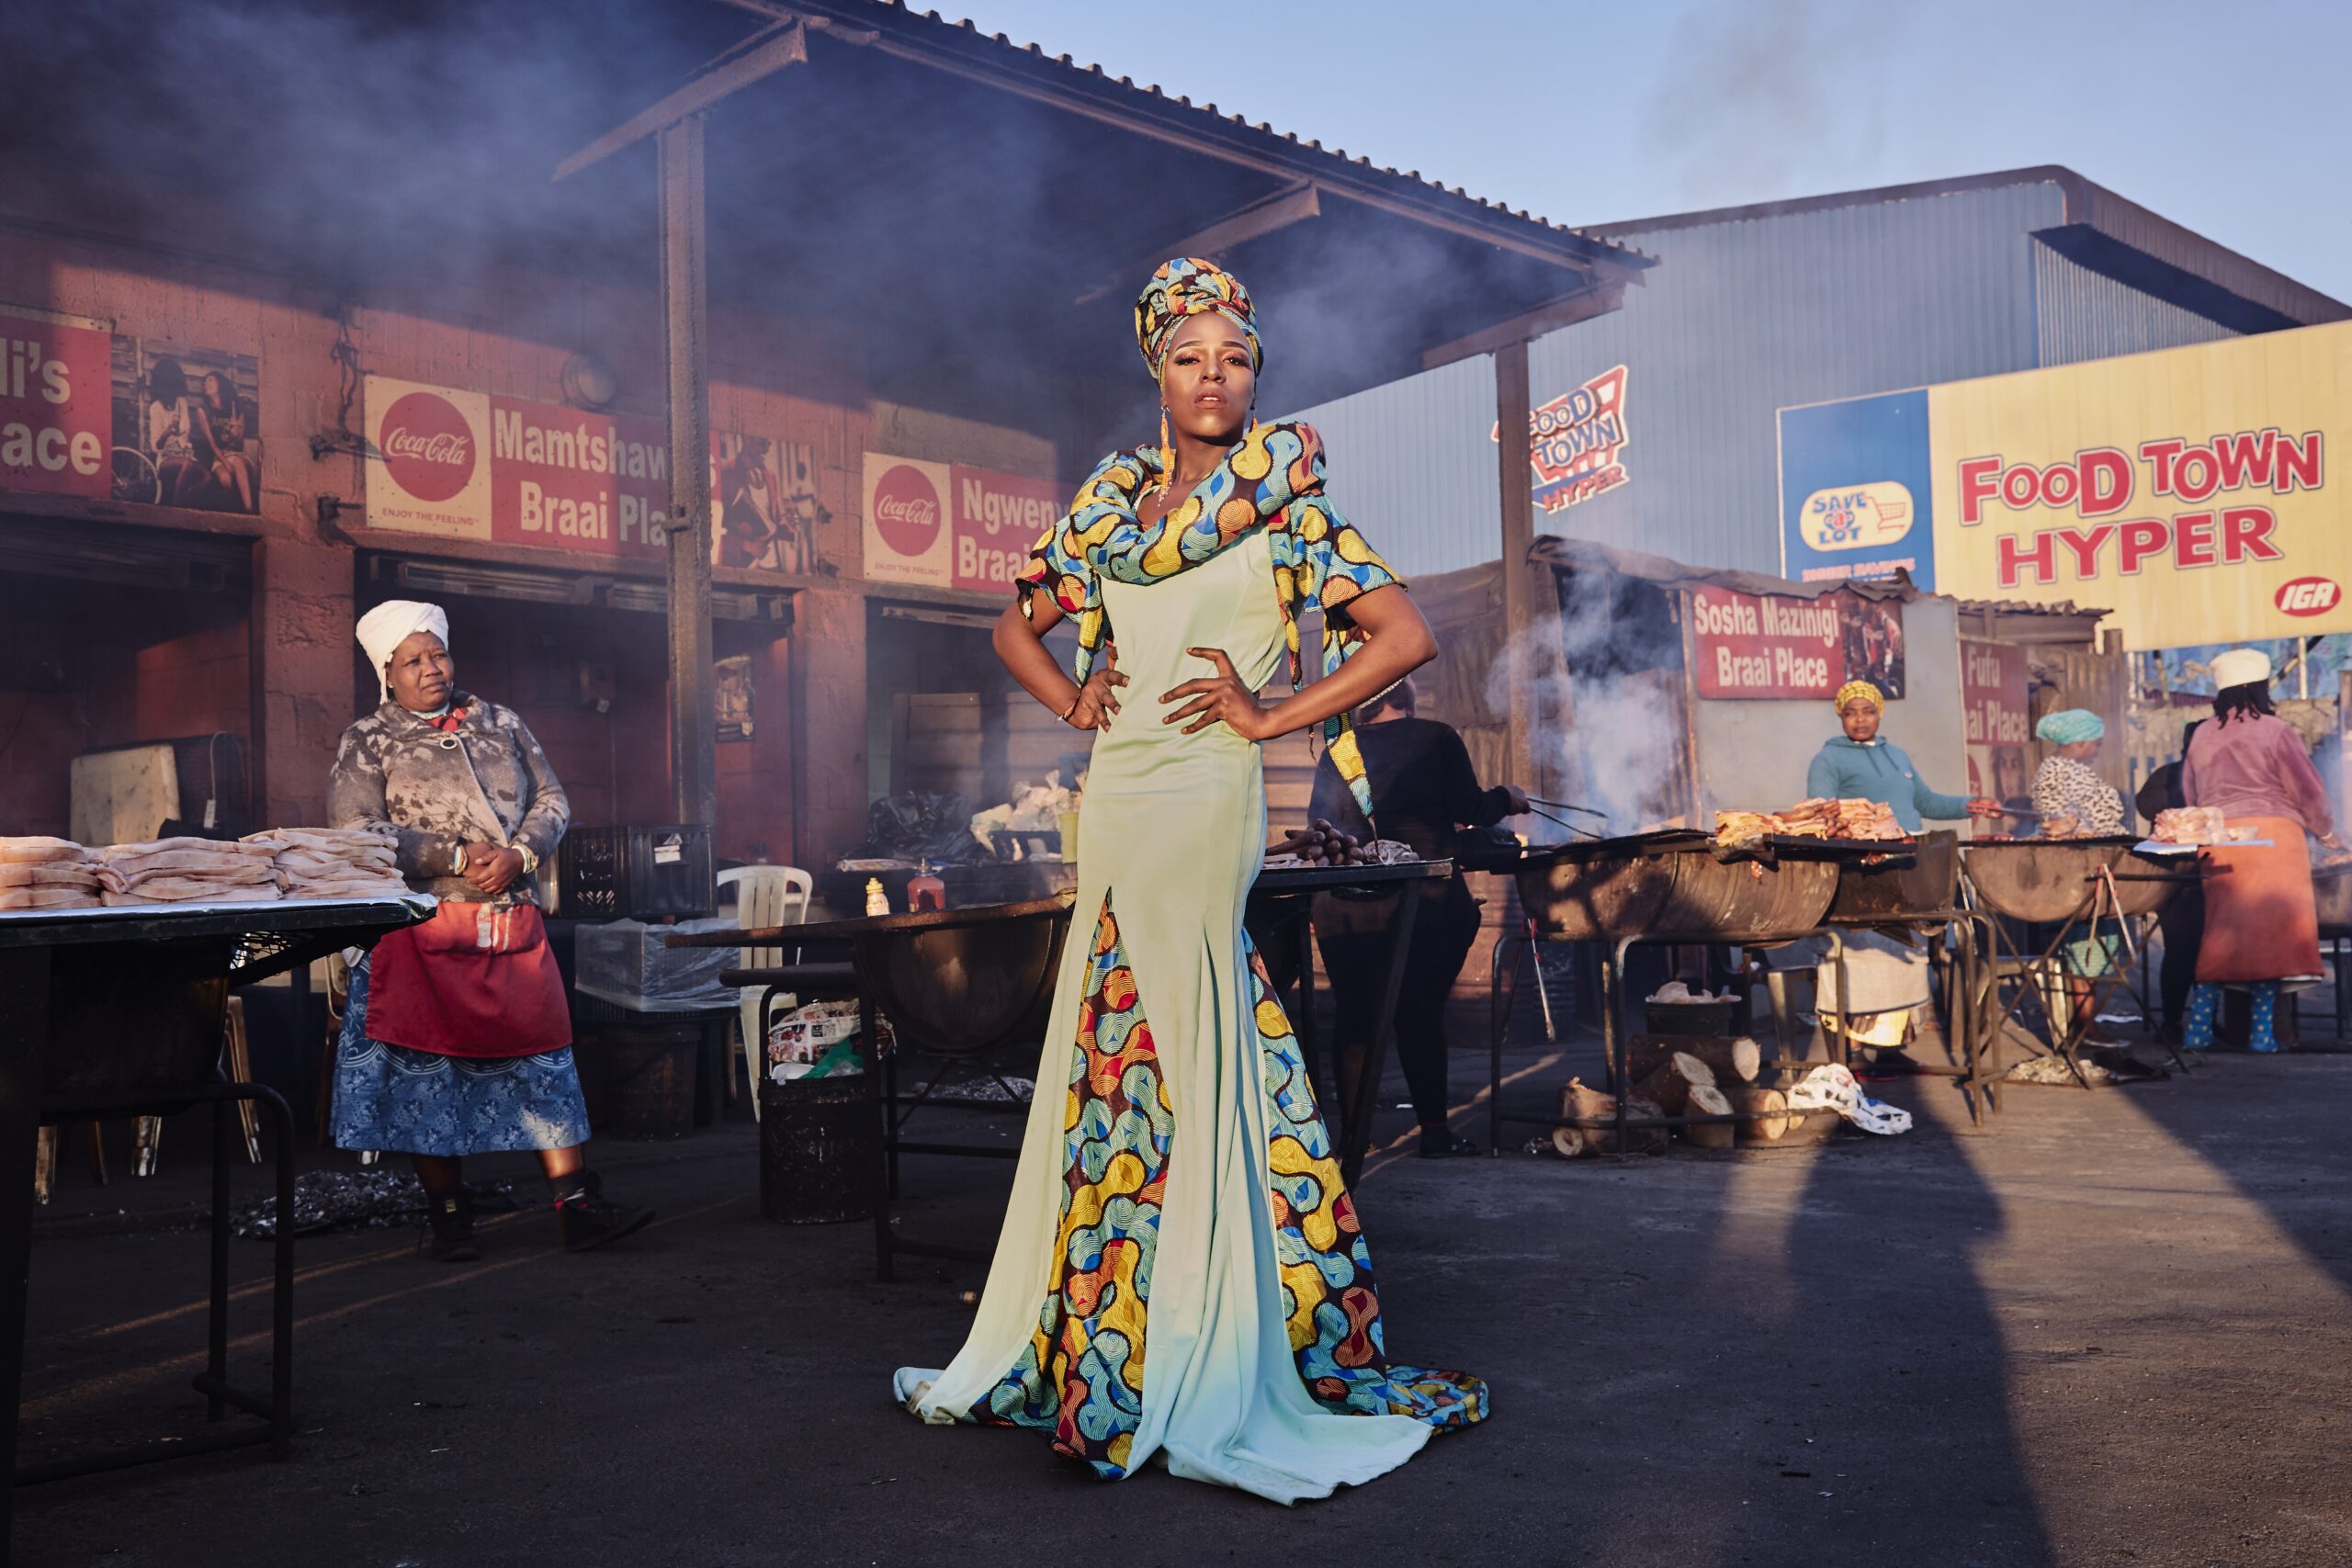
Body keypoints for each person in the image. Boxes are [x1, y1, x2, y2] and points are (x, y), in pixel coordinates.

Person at [895, 259, 1486, 1500]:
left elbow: (1403, 634)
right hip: (1115, 795)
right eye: (1188, 357)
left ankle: (1203, 1332)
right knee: (1110, 1035)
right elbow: (1012, 622)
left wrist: (1274, 715)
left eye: (1233, 358)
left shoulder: (1289, 501)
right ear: (1155, 370)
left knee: (1192, 1024)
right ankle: (1117, 1323)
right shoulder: (1108, 506)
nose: (1212, 377)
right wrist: (1074, 696)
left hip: (1209, 797)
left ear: (1255, 371)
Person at [329, 600, 653, 1258]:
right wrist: (449, 857)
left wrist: (520, 854)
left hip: (509, 922)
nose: (431, 668)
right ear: (386, 672)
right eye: (412, 660)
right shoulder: (368, 739)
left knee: (544, 1063)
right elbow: (354, 831)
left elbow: (553, 799)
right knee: (427, 1073)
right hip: (420, 930)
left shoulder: (501, 721)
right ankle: (450, 1220)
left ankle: (577, 1207)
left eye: (438, 653)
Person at [1307, 676, 1526, 1157]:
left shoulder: (1339, 749)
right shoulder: (1437, 737)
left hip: (1345, 905)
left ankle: (1354, 1139)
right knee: (1421, 1014)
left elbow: (1318, 826)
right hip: (1425, 900)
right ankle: (1434, 1133)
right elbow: (1472, 808)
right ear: (1405, 699)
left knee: (1355, 1018)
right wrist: (1505, 797)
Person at [1792, 680, 2000, 1066]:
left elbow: (1924, 801)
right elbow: (1822, 808)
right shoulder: (1828, 759)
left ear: (1879, 714)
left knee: (1905, 952)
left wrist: (1971, 804)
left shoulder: (1898, 756)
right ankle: (1851, 1049)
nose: (1860, 720)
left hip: (1908, 866)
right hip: (1863, 872)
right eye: (1851, 713)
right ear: (1840, 716)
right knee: (1861, 956)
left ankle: (1890, 1047)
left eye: (1867, 711)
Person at [2179, 648, 2342, 1052]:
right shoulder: (2275, 730)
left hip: (2220, 842)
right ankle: (2262, 1036)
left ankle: (2196, 1032)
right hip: (2274, 844)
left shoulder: (2201, 733)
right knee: (2272, 940)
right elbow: (2307, 791)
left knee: (2219, 937)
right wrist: (2326, 833)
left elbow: (2190, 794)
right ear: (2260, 687)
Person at [2029, 708, 2128, 1040]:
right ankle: (2085, 1023)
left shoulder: (2055, 770)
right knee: (2086, 942)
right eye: (2096, 743)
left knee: (2088, 941)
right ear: (2081, 742)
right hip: (2078, 868)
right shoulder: (2066, 771)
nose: (2099, 749)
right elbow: (2104, 816)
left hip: (2075, 867)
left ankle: (2086, 1020)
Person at [2134, 720, 2206, 1040]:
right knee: (2179, 949)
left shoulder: (2223, 776)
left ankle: (2206, 1019)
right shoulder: (2167, 774)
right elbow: (2145, 805)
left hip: (2216, 872)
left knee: (2212, 951)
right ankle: (2172, 1021)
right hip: (2175, 875)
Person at [143, 357, 205, 507]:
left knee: (208, 478)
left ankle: (185, 497)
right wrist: (168, 430)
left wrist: (177, 429)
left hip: (186, 454)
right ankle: (174, 507)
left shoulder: (182, 403)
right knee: (187, 466)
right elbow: (155, 447)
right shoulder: (156, 408)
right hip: (166, 459)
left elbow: (185, 431)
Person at [194, 368, 257, 513]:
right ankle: (235, 510)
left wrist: (236, 434)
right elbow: (211, 443)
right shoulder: (203, 410)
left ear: (220, 384)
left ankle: (249, 510)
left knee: (239, 464)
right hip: (218, 456)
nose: (206, 383)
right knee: (225, 479)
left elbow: (240, 443)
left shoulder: (235, 406)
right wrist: (225, 462)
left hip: (238, 454)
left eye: (210, 380)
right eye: (205, 381)